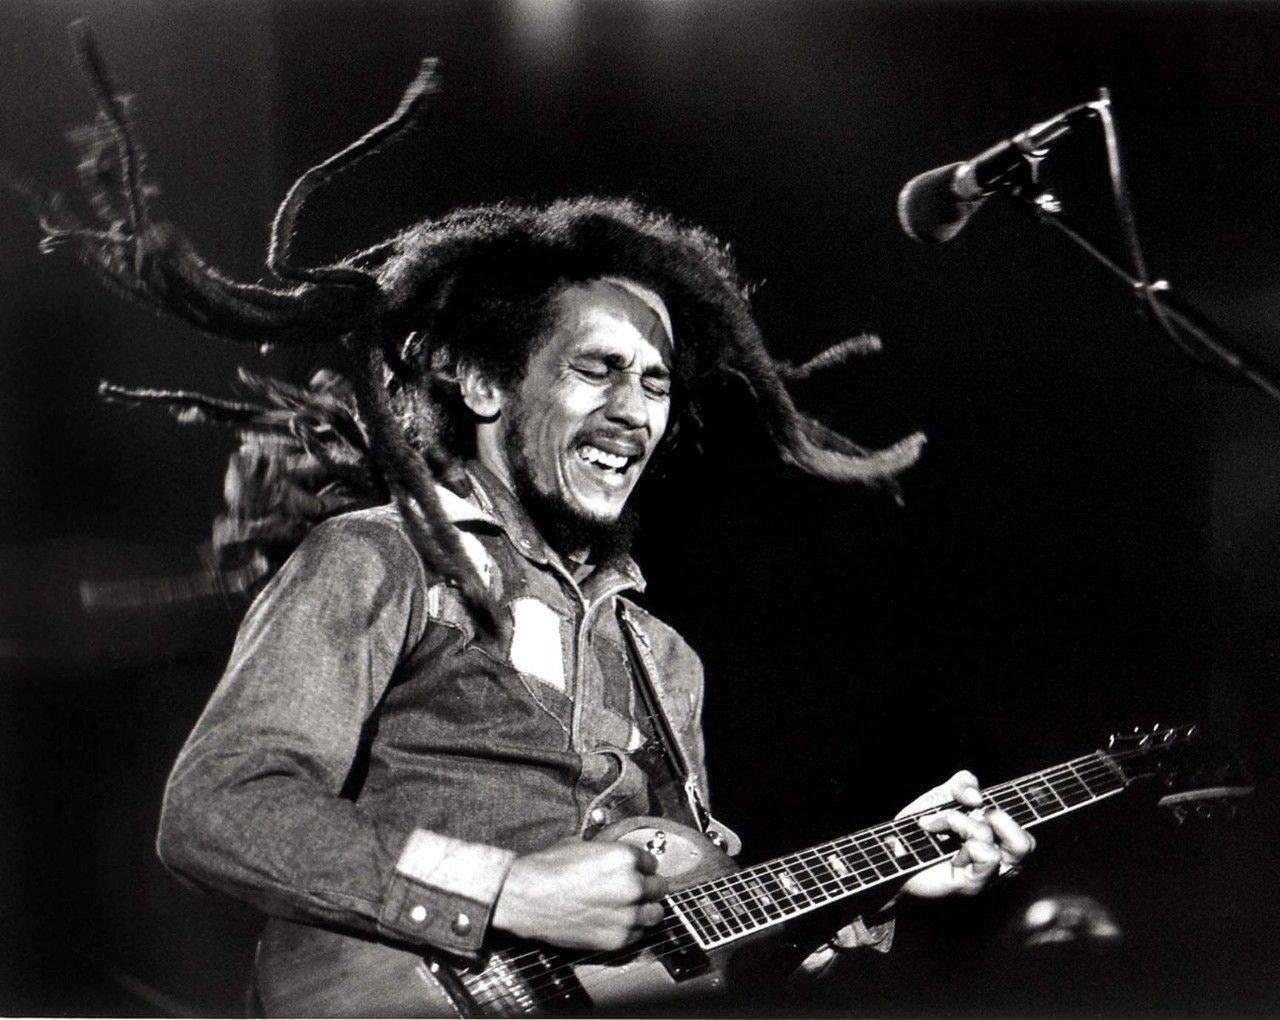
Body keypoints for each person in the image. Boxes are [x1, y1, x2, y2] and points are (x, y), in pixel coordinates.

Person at [12, 26, 1034, 1011]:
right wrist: (501, 890)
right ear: (483, 383)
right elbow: (218, 809)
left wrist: (879, 886)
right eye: (596, 370)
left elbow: (689, 947)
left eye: (655, 384)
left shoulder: (663, 659)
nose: (633, 410)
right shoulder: (380, 559)